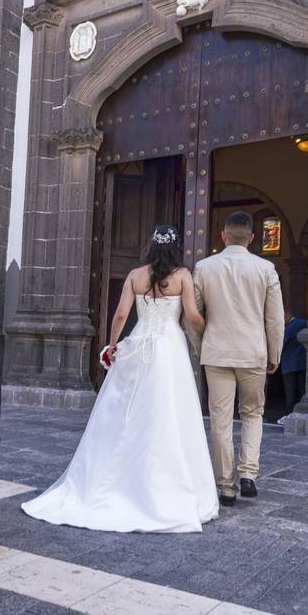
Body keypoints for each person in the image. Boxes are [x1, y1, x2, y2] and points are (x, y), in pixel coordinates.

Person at [21, 225, 219, 533]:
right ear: (176, 247)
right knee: (168, 411)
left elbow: (121, 314)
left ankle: (114, 481)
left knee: (126, 412)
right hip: (170, 348)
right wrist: (210, 332)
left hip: (139, 345)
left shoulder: (135, 275)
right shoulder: (182, 275)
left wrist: (113, 345)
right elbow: (192, 316)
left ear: (150, 247)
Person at [191, 212, 285, 506]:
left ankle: (226, 487)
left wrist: (200, 348)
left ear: (223, 235)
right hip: (253, 352)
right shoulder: (265, 268)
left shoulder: (204, 267)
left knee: (220, 420)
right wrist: (275, 353)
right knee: (253, 414)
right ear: (252, 238)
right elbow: (275, 319)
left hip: (216, 353)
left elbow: (193, 317)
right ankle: (248, 474)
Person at [281, 312, 308, 414]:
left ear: (286, 316)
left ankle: (289, 414)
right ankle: (302, 413)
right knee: (302, 392)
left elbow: (280, 344)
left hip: (289, 365)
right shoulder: (304, 322)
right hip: (303, 363)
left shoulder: (287, 329)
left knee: (290, 393)